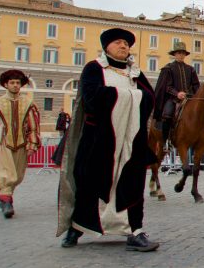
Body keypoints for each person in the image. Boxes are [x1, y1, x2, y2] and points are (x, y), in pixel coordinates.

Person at [57, 28, 159, 252]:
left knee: (133, 183)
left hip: (131, 140)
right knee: (89, 183)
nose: (124, 46)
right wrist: (129, 96)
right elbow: (92, 97)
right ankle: (78, 226)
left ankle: (135, 231)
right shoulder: (94, 68)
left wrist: (135, 96)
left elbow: (150, 97)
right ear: (107, 46)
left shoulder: (135, 72)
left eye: (127, 44)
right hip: (99, 140)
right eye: (119, 43)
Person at [0, 69, 40, 218]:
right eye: (12, 83)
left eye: (18, 83)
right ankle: (7, 203)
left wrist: (32, 144)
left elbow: (33, 126)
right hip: (2, 143)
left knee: (17, 176)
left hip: (21, 144)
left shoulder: (28, 103)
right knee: (7, 175)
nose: (15, 85)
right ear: (6, 84)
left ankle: (4, 198)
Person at [153, 42, 200, 142]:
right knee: (167, 114)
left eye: (183, 53)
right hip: (173, 98)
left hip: (189, 98)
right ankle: (165, 140)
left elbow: (196, 85)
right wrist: (177, 94)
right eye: (179, 53)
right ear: (174, 54)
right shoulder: (168, 68)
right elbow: (166, 86)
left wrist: (197, 96)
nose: (181, 55)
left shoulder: (191, 69)